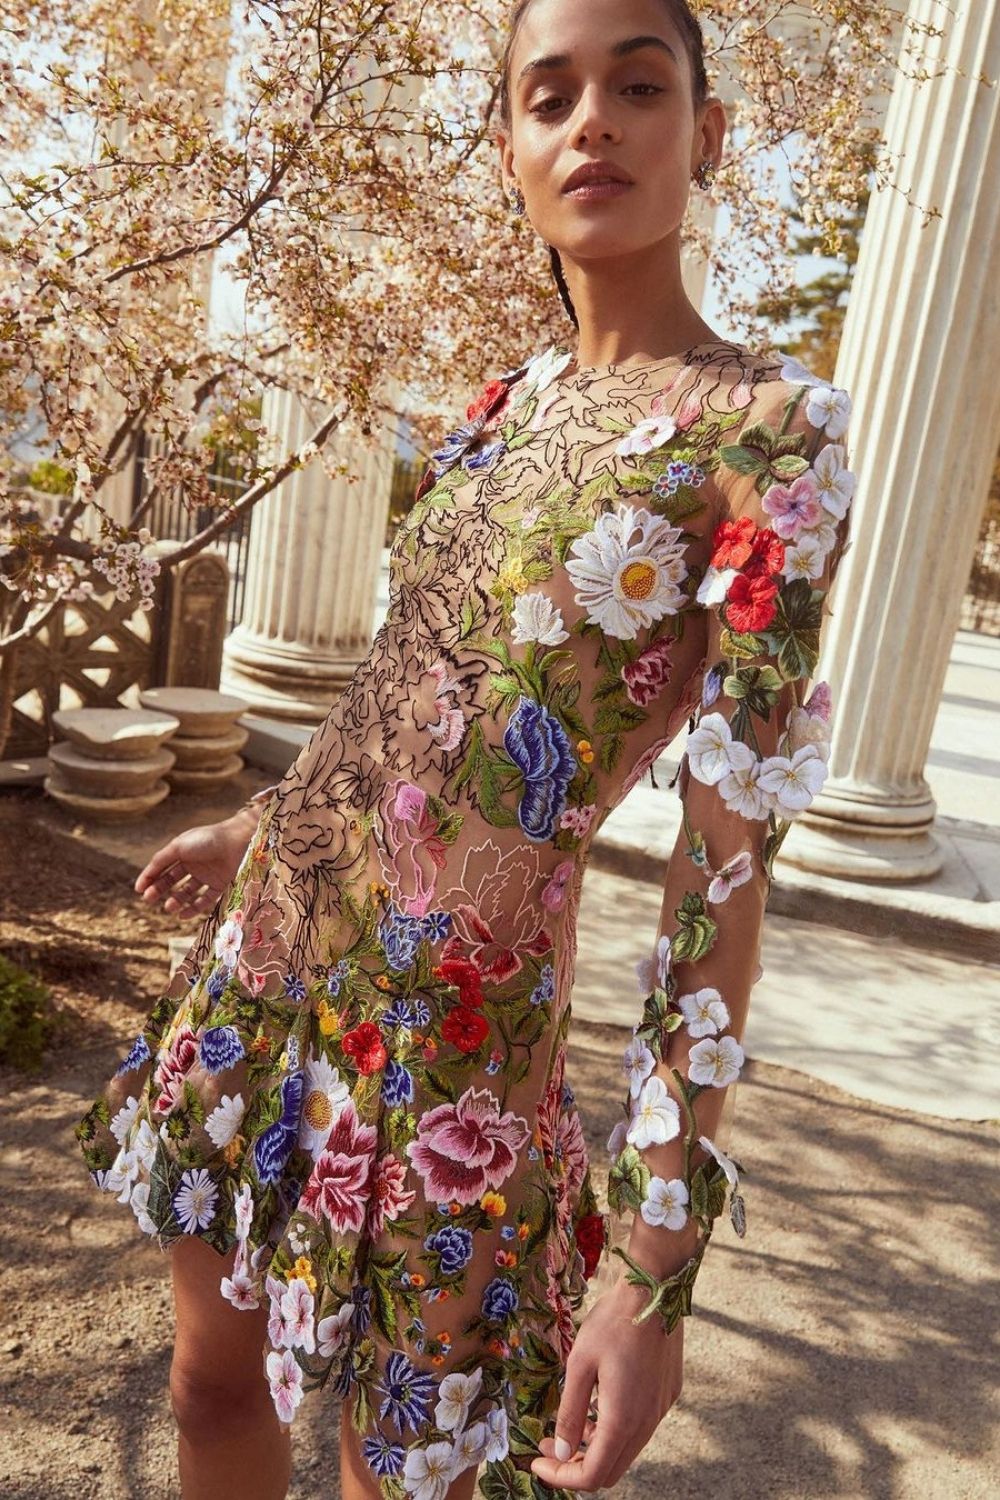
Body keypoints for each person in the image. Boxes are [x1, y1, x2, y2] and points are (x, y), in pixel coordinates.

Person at [75, 0, 856, 1496]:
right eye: (548, 95)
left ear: (710, 130)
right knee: (204, 1387)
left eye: (640, 85)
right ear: (506, 147)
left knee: (407, 1471)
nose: (594, 123)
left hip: (458, 1053)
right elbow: (408, 689)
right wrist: (261, 822)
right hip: (274, 965)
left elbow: (723, 852)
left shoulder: (768, 428)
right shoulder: (504, 405)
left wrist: (656, 1260)